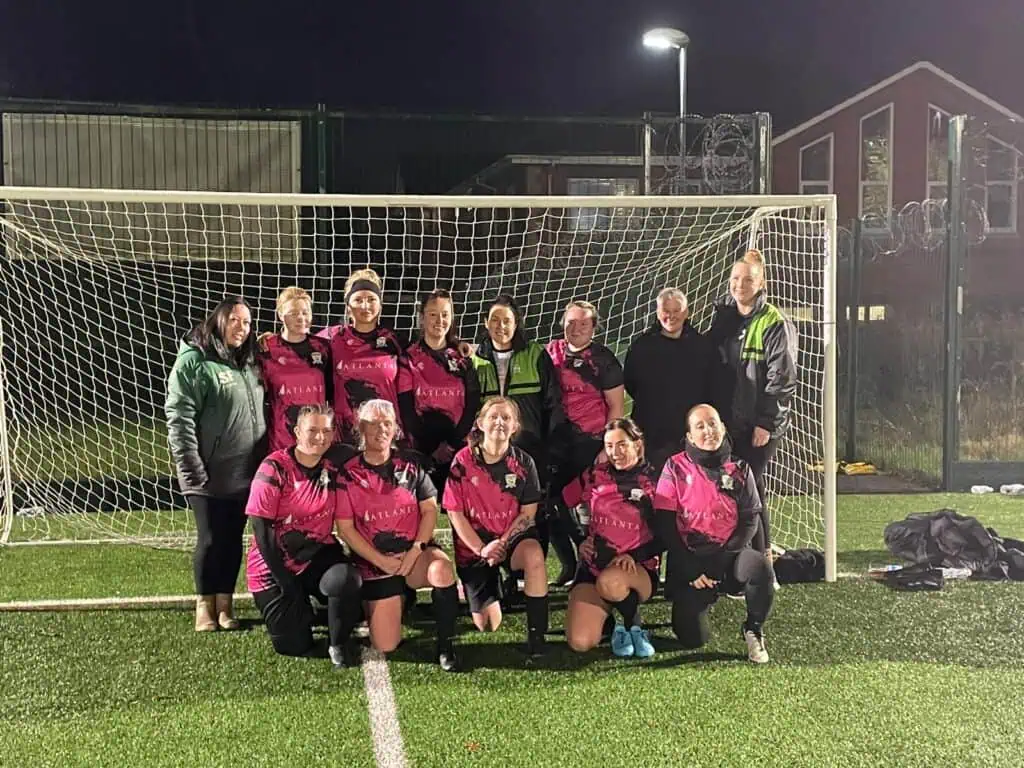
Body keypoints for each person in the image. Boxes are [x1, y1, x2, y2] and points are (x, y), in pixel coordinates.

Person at [334, 399, 460, 672]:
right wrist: (381, 561)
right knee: (386, 644)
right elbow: (345, 529)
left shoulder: (411, 464)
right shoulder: (347, 474)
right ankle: (390, 599)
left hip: (413, 554)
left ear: (395, 430)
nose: (381, 430)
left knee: (441, 570)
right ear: (361, 429)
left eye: (387, 424)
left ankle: (446, 646)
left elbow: (429, 511)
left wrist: (416, 549)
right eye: (374, 424)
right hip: (375, 562)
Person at [165, 296, 267, 633]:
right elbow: (178, 416)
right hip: (207, 470)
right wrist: (191, 465)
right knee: (210, 538)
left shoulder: (249, 362)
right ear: (219, 321)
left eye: (247, 322)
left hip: (245, 471)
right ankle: (203, 606)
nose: (242, 328)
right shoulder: (194, 361)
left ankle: (225, 604)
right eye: (235, 320)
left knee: (233, 537)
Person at [654, 404, 773, 664]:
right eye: (700, 426)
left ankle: (753, 628)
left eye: (713, 423)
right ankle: (702, 597)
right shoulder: (674, 467)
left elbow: (750, 520)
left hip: (729, 557)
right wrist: (690, 568)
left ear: (723, 427)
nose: (708, 431)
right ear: (689, 436)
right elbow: (664, 523)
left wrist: (721, 563)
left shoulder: (740, 467)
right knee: (692, 638)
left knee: (760, 568)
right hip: (691, 561)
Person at [245, 404, 363, 667]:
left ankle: (337, 643)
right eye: (312, 430)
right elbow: (261, 530)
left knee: (346, 580)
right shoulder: (274, 468)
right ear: (297, 431)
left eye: (326, 431)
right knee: (294, 645)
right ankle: (306, 610)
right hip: (272, 565)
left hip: (317, 555)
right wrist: (284, 579)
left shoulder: (334, 467)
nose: (320, 437)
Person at [708, 249, 798, 561]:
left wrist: (766, 422)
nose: (740, 284)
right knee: (731, 489)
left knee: (751, 491)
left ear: (761, 283)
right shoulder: (726, 319)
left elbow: (782, 378)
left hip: (757, 425)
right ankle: (737, 558)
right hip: (729, 423)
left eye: (748, 279)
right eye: (735, 278)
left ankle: (762, 561)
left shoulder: (773, 321)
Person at [442, 397, 549, 657]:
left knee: (534, 555)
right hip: (475, 548)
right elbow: (454, 514)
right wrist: (482, 549)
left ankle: (537, 637)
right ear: (480, 423)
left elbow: (528, 514)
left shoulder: (524, 463)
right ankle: (492, 585)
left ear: (515, 427)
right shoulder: (462, 461)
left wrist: (502, 542)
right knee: (488, 625)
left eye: (506, 418)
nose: (499, 422)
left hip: (510, 540)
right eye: (494, 417)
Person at [471, 295, 566, 580]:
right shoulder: (475, 359)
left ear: (517, 323)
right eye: (495, 320)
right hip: (490, 452)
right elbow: (469, 407)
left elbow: (553, 404)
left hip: (531, 450)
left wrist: (551, 451)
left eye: (507, 320)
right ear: (486, 323)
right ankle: (494, 573)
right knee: (493, 510)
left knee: (534, 512)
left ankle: (526, 575)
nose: (501, 326)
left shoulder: (536, 354)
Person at [563, 418, 660, 659]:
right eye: (609, 446)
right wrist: (579, 540)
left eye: (622, 445)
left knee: (611, 582)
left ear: (637, 444)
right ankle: (613, 623)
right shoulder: (595, 475)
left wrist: (633, 555)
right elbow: (559, 504)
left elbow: (669, 535)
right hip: (593, 567)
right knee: (580, 641)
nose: (615, 453)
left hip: (636, 568)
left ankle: (633, 624)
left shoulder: (657, 480)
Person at [546, 300, 626, 585]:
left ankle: (590, 567)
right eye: (571, 322)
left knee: (587, 508)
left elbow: (616, 406)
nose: (576, 328)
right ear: (562, 324)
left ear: (594, 327)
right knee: (549, 505)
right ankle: (568, 563)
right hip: (556, 446)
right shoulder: (550, 352)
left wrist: (607, 447)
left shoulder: (603, 359)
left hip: (591, 444)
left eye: (583, 323)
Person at [398, 289, 481, 496]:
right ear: (422, 317)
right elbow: (407, 410)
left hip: (458, 447)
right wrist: (432, 450)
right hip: (422, 449)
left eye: (445, 314)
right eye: (433, 314)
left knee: (461, 514)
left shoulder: (463, 358)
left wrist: (452, 445)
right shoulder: (408, 358)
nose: (439, 320)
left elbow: (472, 405)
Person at [623, 288, 714, 472]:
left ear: (686, 312)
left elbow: (711, 386)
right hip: (651, 432)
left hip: (689, 434)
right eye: (666, 311)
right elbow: (631, 383)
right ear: (658, 313)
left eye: (676, 311)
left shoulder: (702, 346)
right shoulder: (642, 347)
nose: (671, 316)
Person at [318, 268, 404, 444]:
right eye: (358, 300)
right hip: (346, 437)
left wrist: (457, 344)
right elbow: (297, 342)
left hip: (385, 436)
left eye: (371, 299)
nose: (365, 306)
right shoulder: (331, 339)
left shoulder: (394, 341)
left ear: (380, 304)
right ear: (348, 306)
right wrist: (268, 340)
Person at [258, 286, 331, 453]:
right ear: (280, 315)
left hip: (315, 438)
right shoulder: (265, 349)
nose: (301, 318)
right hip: (281, 439)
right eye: (293, 313)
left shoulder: (323, 348)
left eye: (305, 312)